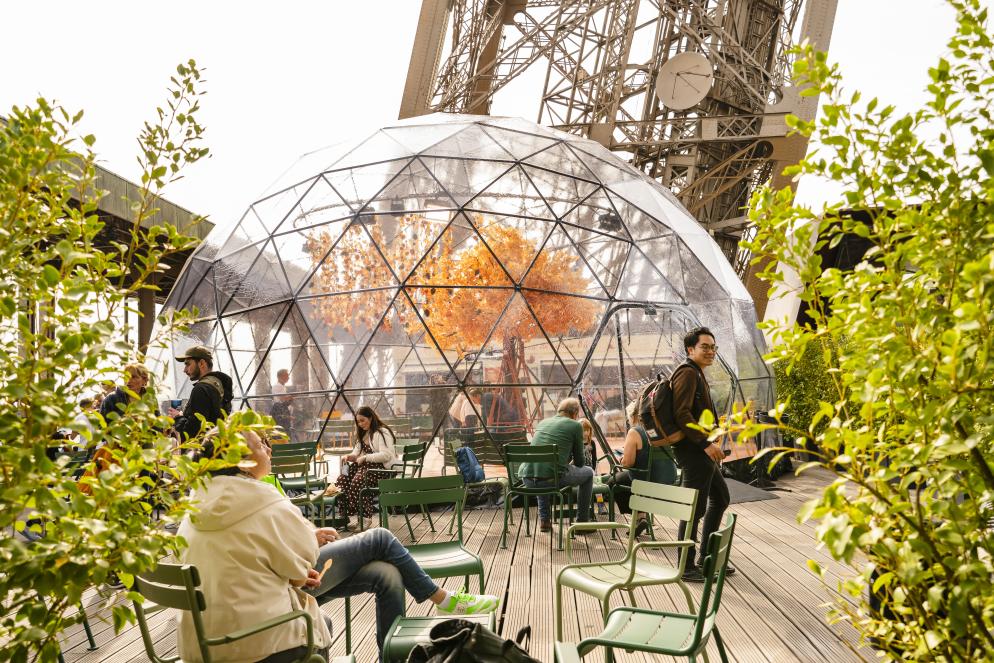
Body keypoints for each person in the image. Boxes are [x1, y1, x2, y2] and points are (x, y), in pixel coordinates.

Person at [178, 429, 498, 662]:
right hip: (262, 632)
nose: (268, 448)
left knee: (385, 573)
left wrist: (302, 546)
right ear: (242, 460)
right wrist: (304, 547)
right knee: (381, 538)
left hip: (206, 637)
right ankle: (442, 599)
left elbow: (247, 554)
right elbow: (302, 562)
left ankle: (395, 656)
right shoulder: (260, 499)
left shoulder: (197, 504)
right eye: (261, 443)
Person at [670, 327, 734, 582]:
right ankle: (686, 566)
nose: (710, 352)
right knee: (695, 509)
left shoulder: (695, 373)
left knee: (721, 497)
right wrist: (705, 444)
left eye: (713, 347)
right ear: (690, 349)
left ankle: (707, 559)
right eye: (705, 347)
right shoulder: (687, 373)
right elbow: (681, 414)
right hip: (694, 451)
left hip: (700, 451)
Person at [517, 397, 595, 534]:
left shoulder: (542, 423)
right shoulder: (575, 425)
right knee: (588, 473)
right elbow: (580, 463)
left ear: (559, 411)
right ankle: (582, 523)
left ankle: (545, 521)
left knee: (544, 471)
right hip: (550, 480)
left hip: (527, 478)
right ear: (575, 413)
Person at [334, 406, 400, 527]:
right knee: (342, 480)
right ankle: (344, 516)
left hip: (382, 469)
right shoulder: (363, 433)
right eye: (358, 422)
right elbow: (356, 452)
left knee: (358, 482)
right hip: (366, 468)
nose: (360, 424)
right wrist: (349, 456)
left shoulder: (382, 432)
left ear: (370, 418)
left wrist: (365, 457)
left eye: (362, 420)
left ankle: (365, 517)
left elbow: (386, 455)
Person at [169, 346, 233, 441]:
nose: (185, 370)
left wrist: (178, 417)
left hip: (200, 451)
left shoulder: (201, 388)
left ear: (202, 363)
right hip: (214, 446)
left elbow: (192, 432)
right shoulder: (219, 385)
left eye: (188, 364)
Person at [270, 368, 293, 436]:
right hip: (279, 410)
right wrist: (290, 397)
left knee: (285, 430)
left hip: (282, 409)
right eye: (286, 376)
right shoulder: (277, 386)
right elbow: (281, 399)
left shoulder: (282, 386)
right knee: (282, 430)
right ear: (281, 376)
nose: (288, 377)